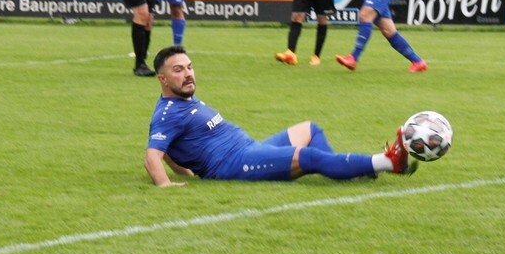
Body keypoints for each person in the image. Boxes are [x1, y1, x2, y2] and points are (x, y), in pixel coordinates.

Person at [144, 45, 415, 186]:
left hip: (249, 148)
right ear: (163, 79)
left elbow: (169, 149)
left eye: (189, 67)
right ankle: (390, 163)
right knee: (307, 156)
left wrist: (186, 171)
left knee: (310, 129)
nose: (188, 74)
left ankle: (346, 170)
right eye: (179, 70)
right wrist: (166, 183)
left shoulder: (185, 100)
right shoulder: (167, 113)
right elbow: (153, 155)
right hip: (234, 165)